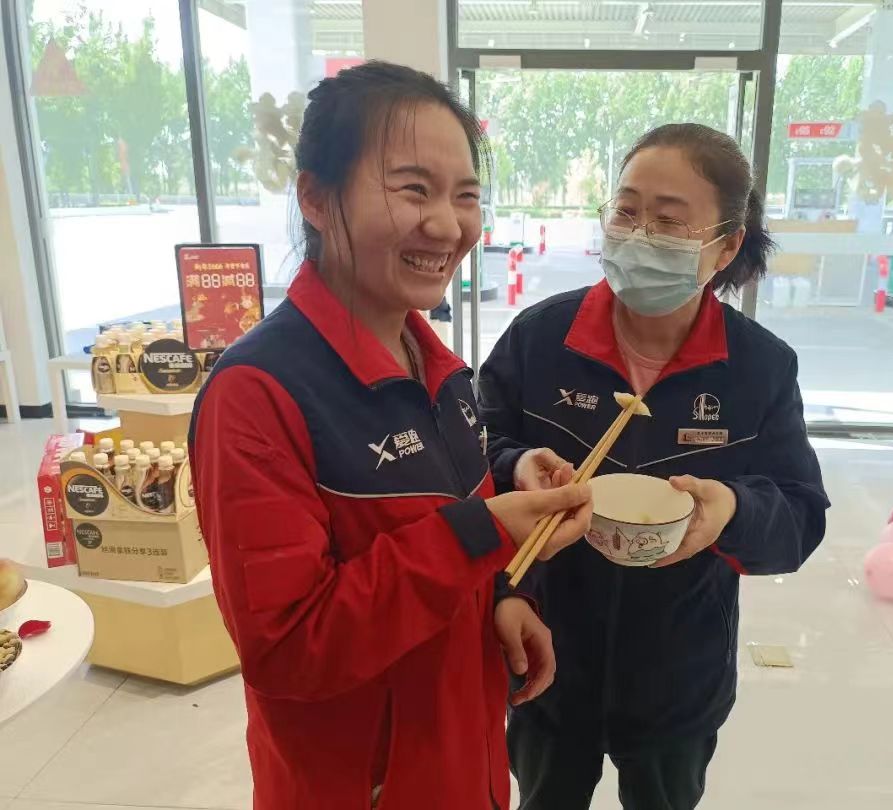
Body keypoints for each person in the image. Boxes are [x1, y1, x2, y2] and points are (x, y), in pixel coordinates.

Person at [189, 62, 592, 810]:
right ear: (316, 197)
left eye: (466, 195)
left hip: (464, 761)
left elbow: (443, 539)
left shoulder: (438, 367)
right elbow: (288, 647)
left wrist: (505, 594)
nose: (447, 225)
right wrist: (482, 533)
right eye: (413, 189)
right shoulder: (257, 394)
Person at [478, 123, 830, 809]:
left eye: (669, 221)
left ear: (726, 246)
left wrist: (732, 512)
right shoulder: (540, 340)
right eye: (626, 210)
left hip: (679, 677)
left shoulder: (758, 368)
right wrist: (517, 473)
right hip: (545, 652)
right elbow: (471, 458)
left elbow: (800, 516)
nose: (639, 236)